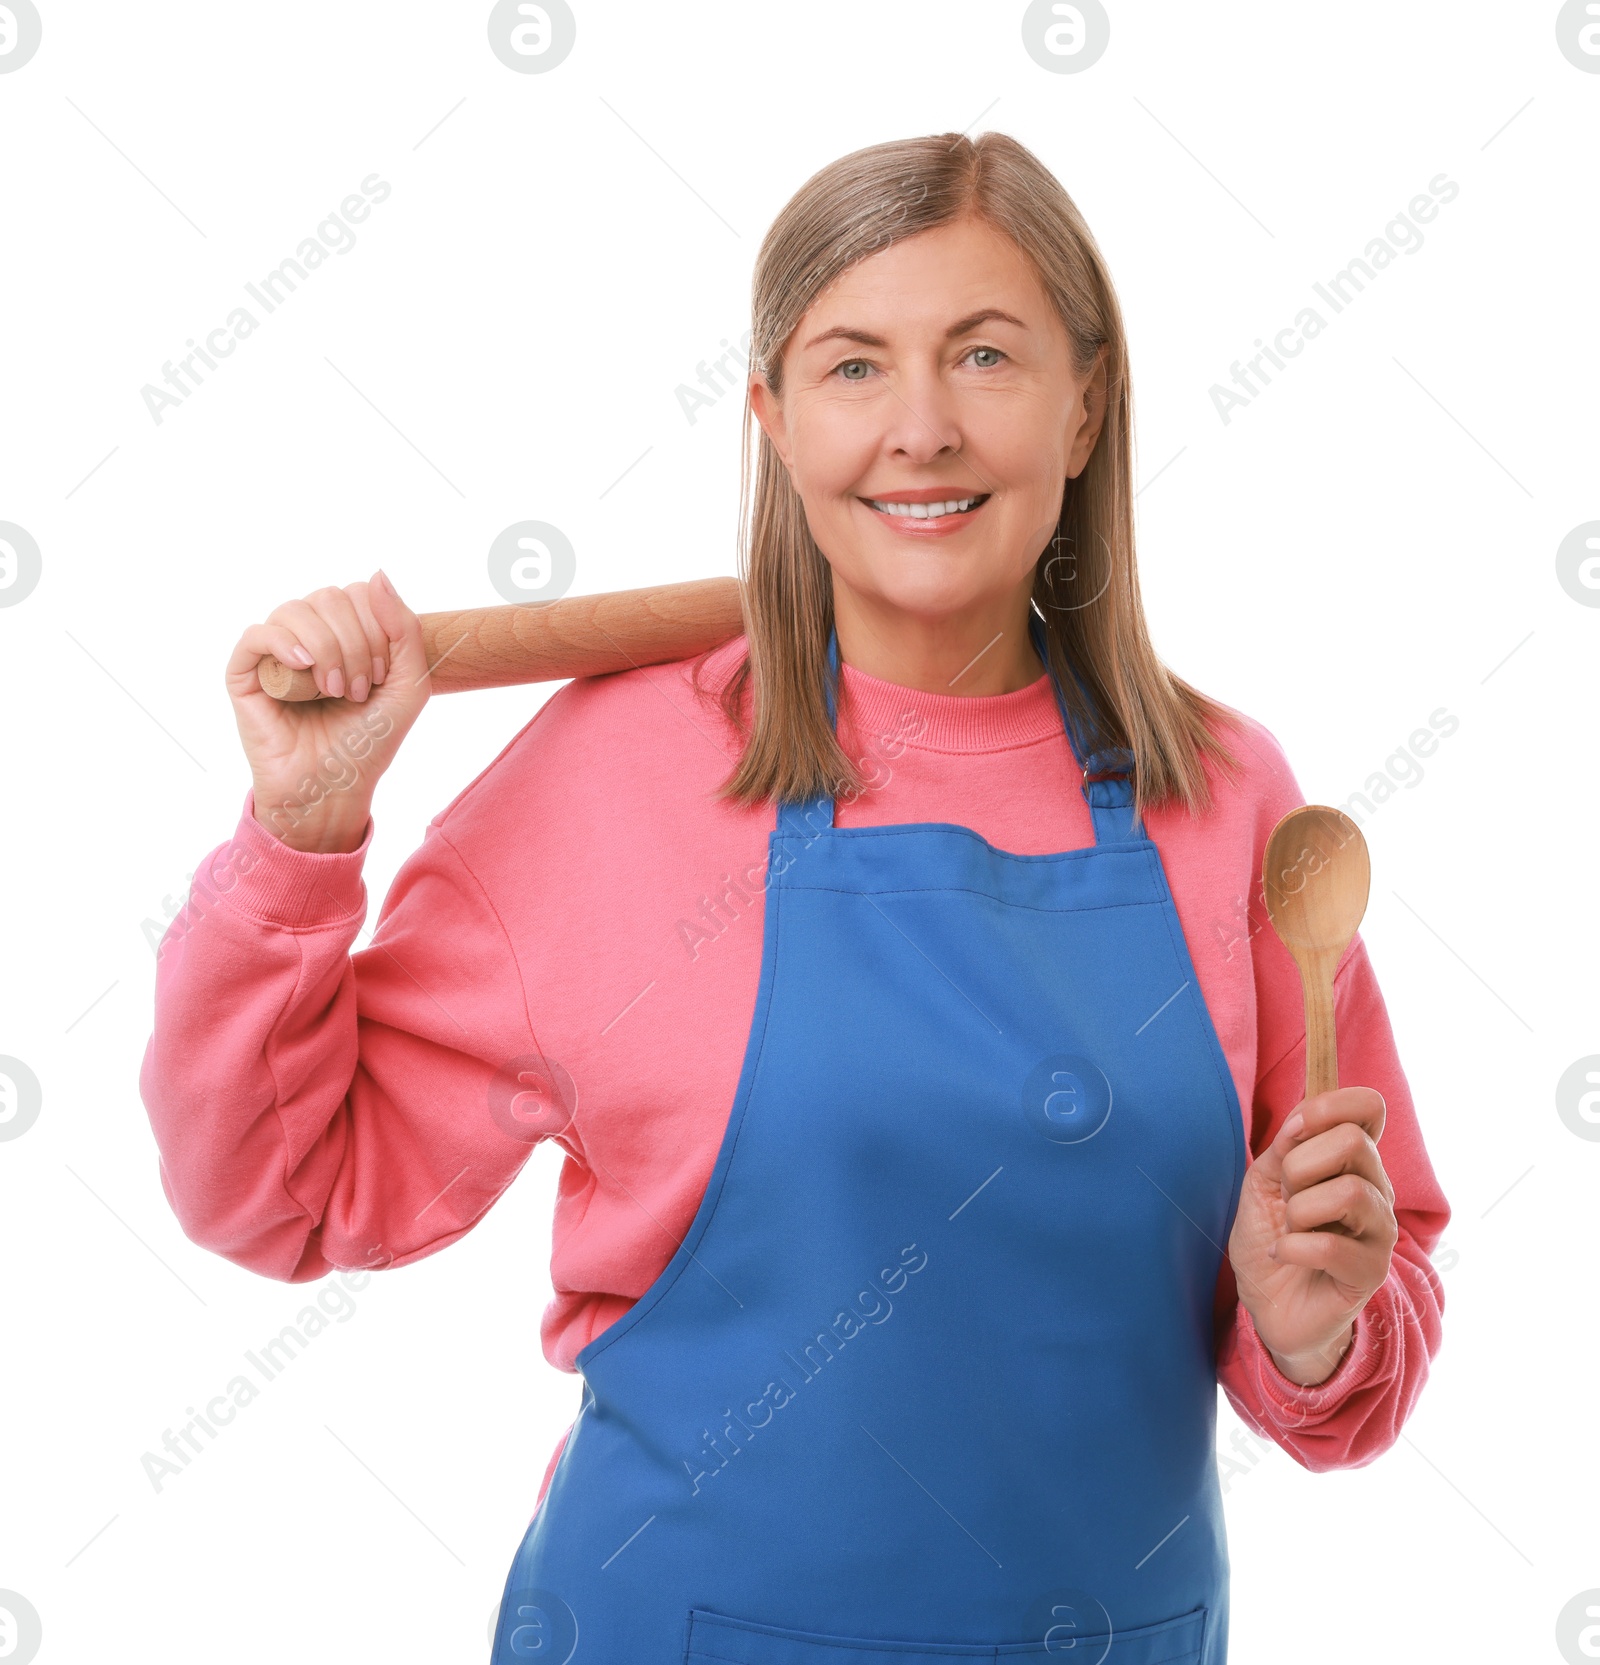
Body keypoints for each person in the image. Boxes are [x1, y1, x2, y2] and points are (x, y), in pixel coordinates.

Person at [141, 131, 1450, 1663]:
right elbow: (279, 1195)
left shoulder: (1230, 799)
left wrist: (1316, 1327)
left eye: (984, 356)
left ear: (1087, 403)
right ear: (769, 418)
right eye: (850, 367)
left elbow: (1376, 1270)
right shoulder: (614, 776)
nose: (921, 428)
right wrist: (301, 835)